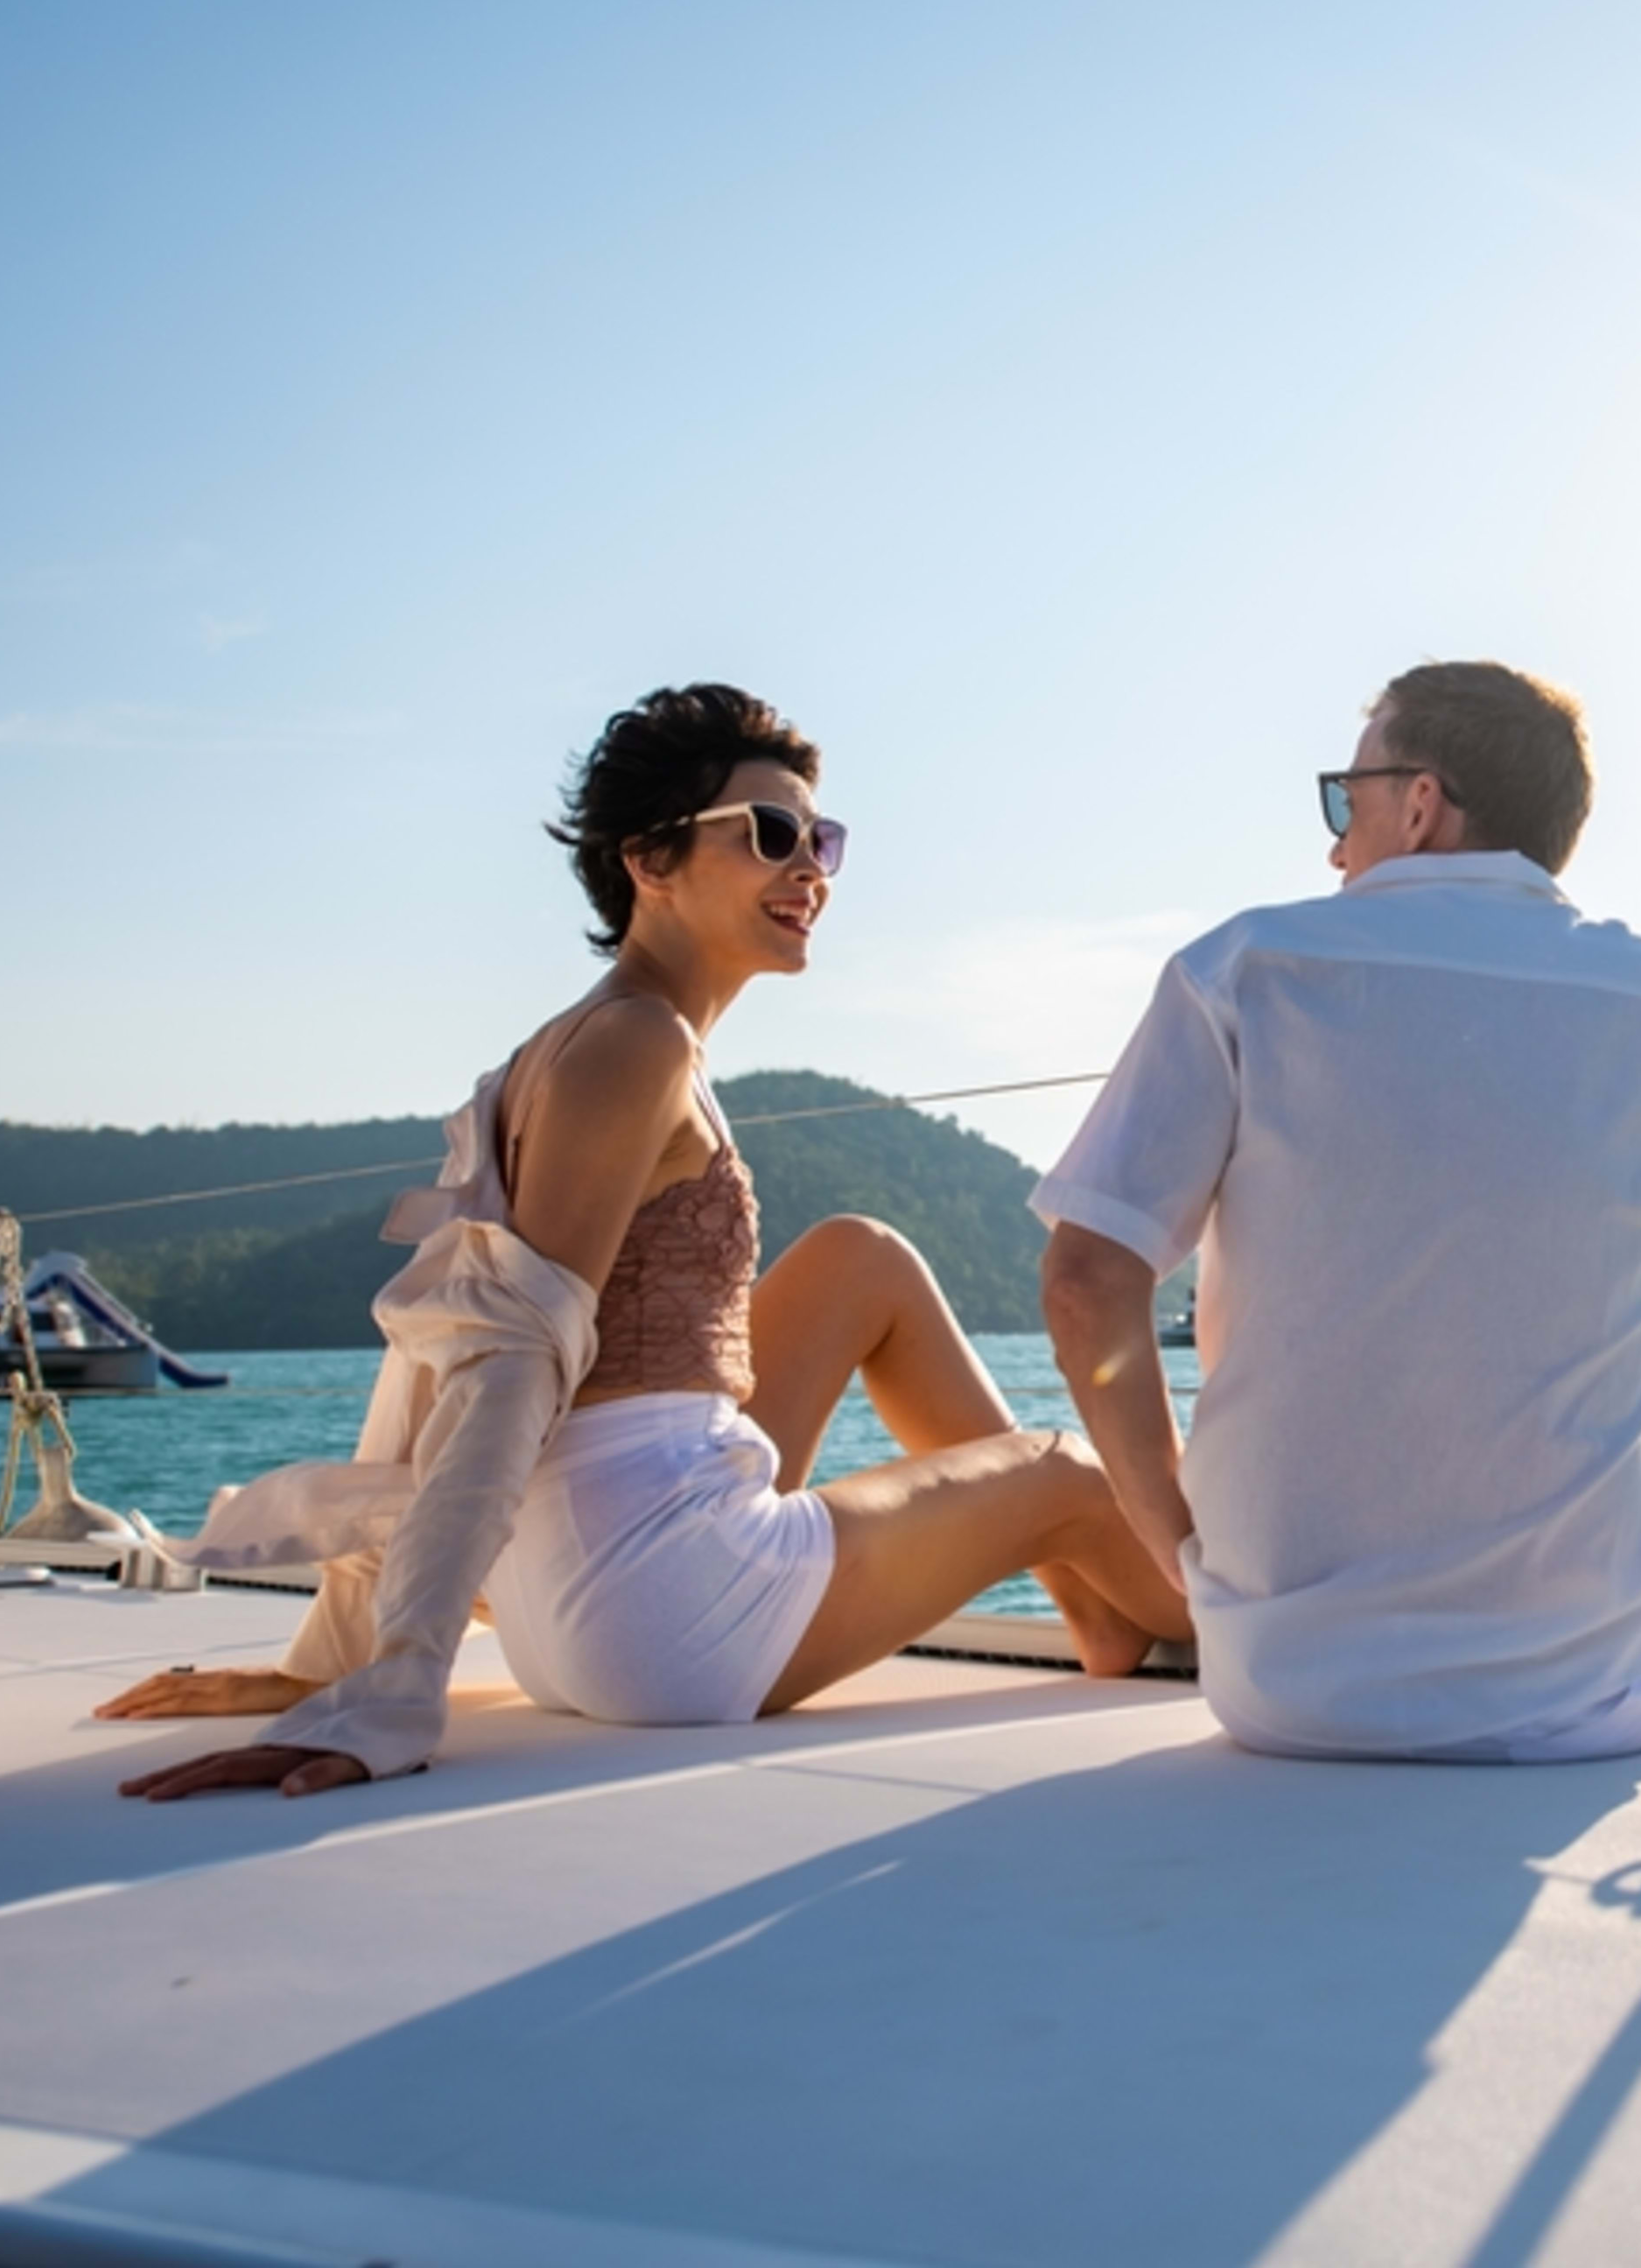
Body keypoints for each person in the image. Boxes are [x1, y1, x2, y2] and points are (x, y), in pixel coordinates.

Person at [101, 685, 1189, 1800]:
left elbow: (436, 1360)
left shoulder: (588, 1039)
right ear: (650, 862)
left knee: (863, 1258)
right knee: (1067, 1471)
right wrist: (386, 1688)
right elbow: (493, 1360)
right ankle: (1280, 1617)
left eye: (823, 840)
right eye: (770, 834)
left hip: (580, 1589)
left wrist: (323, 1661)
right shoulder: (635, 1047)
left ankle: (1096, 1609)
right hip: (664, 1604)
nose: (809, 868)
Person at [1036, 660, 1641, 1764]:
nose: (1336, 844)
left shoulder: (1246, 970)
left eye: (1348, 799)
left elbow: (1085, 1284)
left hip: (1279, 1687)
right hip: (1585, 1687)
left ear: (1422, 804)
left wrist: (1185, 1558)